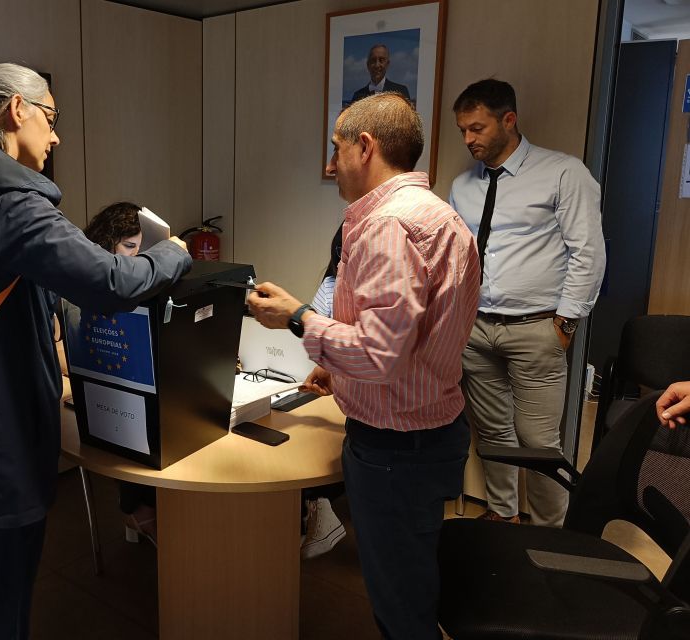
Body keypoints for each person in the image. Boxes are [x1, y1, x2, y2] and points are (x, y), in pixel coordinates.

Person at [0, 63, 191, 639]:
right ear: (16, 111)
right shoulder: (13, 205)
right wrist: (172, 251)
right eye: (51, 117)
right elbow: (112, 282)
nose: (56, 136)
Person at [248, 93, 479, 640]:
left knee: (400, 607)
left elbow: (378, 354)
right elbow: (420, 335)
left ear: (366, 146)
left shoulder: (388, 226)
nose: (331, 165)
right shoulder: (439, 215)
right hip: (432, 429)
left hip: (396, 450)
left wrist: (297, 318)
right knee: (413, 583)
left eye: (337, 149)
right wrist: (340, 366)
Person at [449, 79, 606, 527]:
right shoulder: (463, 186)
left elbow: (588, 253)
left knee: (538, 443)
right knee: (492, 433)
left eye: (477, 128)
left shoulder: (563, 173)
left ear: (509, 120)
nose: (468, 139)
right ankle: (502, 517)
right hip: (476, 328)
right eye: (463, 130)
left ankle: (548, 533)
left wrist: (565, 323)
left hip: (537, 329)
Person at [80, 201, 158, 545]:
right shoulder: (84, 283)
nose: (136, 257)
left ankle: (143, 510)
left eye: (142, 249)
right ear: (106, 243)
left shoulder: (144, 286)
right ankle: (137, 510)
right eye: (128, 246)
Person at [300, 223, 347, 560]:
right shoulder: (331, 285)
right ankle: (311, 509)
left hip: (357, 393)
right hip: (329, 385)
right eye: (340, 254)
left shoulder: (379, 294)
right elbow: (315, 337)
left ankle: (318, 503)